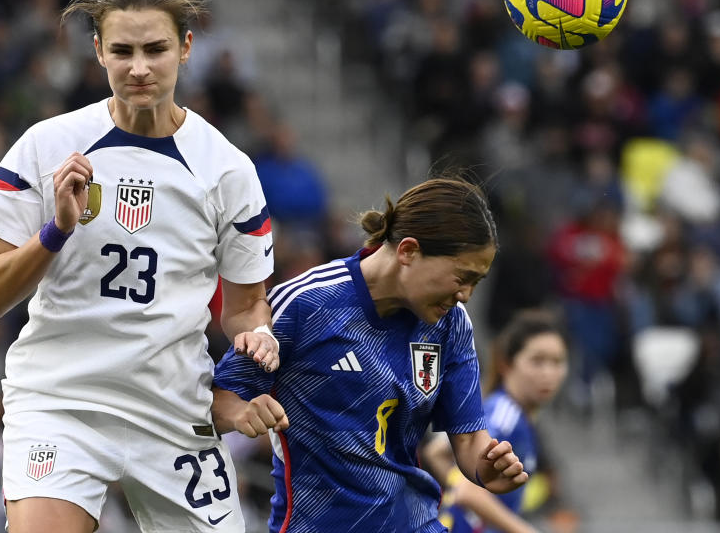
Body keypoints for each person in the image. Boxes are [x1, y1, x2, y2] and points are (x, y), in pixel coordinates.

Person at [0, 0, 284, 533]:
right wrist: (55, 231)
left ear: (185, 49)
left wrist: (256, 334)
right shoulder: (47, 146)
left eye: (155, 49)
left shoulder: (228, 170)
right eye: (122, 50)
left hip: (172, 410)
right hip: (61, 400)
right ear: (98, 52)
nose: (139, 67)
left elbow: (243, 307)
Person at [211, 177, 529, 532]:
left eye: (477, 283)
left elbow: (469, 438)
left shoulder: (451, 325)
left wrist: (486, 468)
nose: (466, 294)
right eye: (462, 277)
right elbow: (215, 402)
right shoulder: (306, 304)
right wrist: (241, 411)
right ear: (408, 251)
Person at [425, 311, 569, 533]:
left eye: (557, 362)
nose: (549, 372)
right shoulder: (505, 416)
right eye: (537, 361)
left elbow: (436, 452)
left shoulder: (509, 413)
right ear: (507, 365)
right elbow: (467, 492)